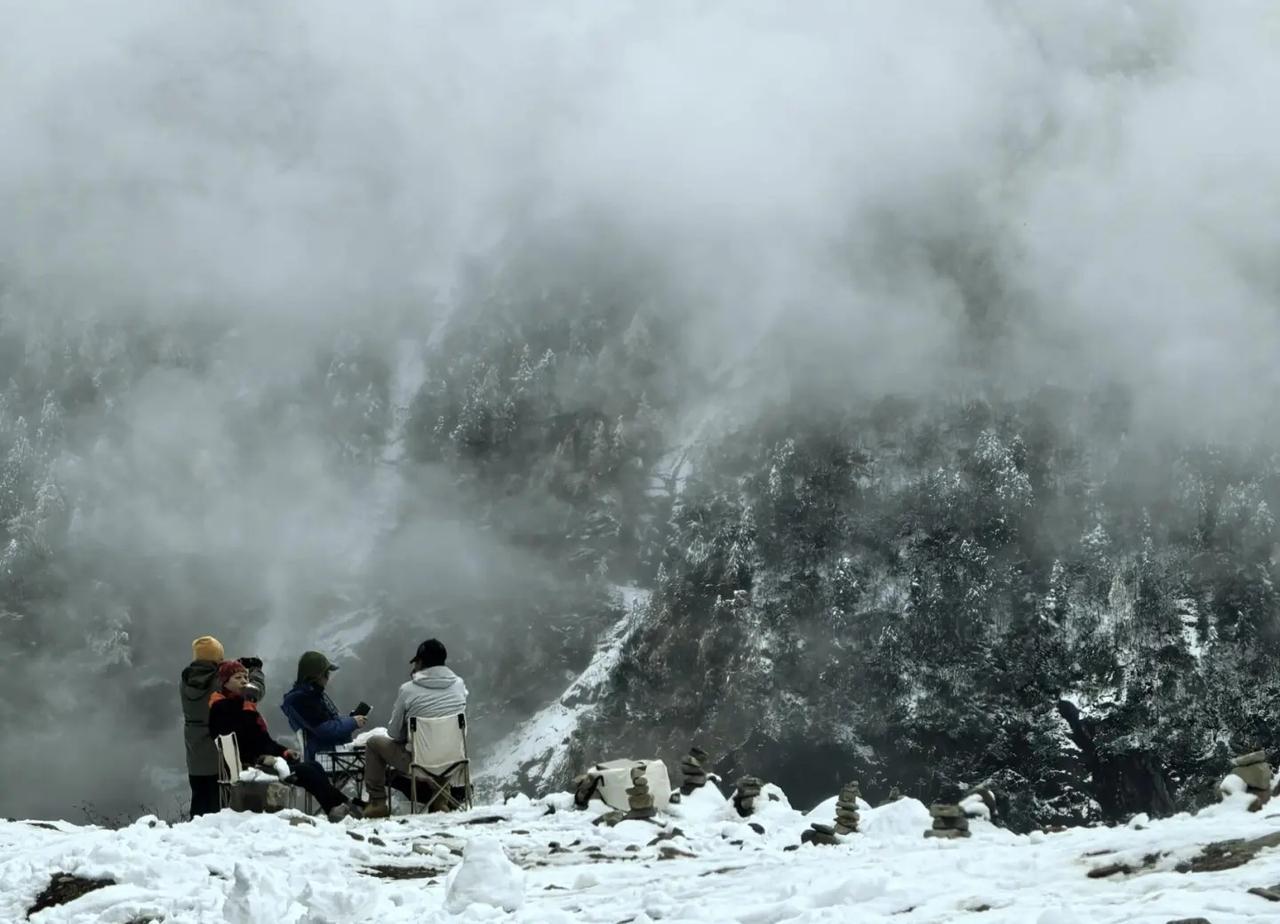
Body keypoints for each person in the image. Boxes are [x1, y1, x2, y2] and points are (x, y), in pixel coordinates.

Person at [209, 660, 360, 822]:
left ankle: (338, 807)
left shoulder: (243, 704)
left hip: (264, 759)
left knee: (313, 766)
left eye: (246, 677)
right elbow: (239, 740)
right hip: (249, 765)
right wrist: (249, 709)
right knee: (307, 771)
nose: (244, 681)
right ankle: (343, 807)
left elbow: (262, 740)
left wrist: (283, 751)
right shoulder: (221, 707)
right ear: (225, 682)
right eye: (238, 678)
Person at [362, 639, 468, 819]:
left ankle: (377, 803)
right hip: (454, 760)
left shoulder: (408, 690)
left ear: (420, 662)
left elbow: (394, 733)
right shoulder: (459, 686)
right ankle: (440, 801)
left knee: (373, 743)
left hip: (419, 763)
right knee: (443, 744)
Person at [180, 637, 267, 819]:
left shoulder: (186, 681)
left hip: (195, 755)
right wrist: (255, 672)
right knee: (224, 809)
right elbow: (252, 692)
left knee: (200, 807)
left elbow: (214, 673)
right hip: (221, 753)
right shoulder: (218, 683)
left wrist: (235, 666)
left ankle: (194, 840)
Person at [281, 650, 368, 762]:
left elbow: (329, 721)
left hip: (332, 753)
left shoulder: (313, 695)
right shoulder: (302, 700)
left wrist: (350, 719)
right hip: (325, 757)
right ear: (317, 675)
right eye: (326, 673)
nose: (328, 678)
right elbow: (325, 730)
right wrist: (352, 722)